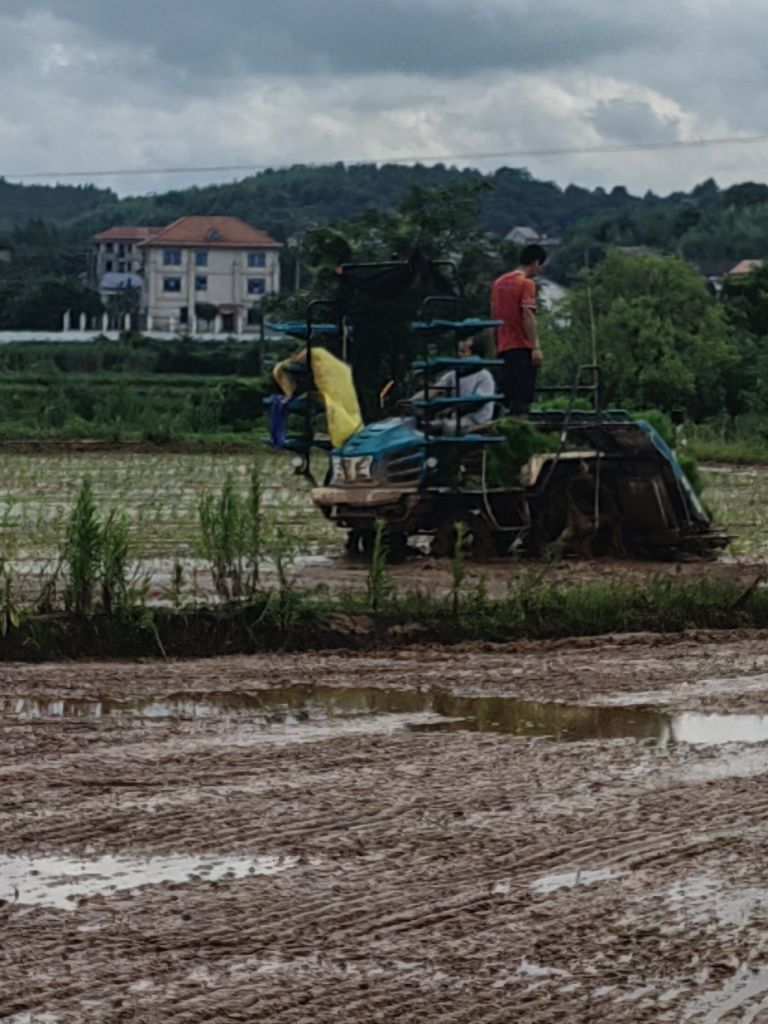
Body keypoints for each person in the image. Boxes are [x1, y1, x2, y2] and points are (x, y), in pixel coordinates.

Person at [491, 243, 547, 415]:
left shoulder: (498, 283)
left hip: (503, 347)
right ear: (536, 262)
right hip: (521, 348)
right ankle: (519, 432)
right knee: (522, 400)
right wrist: (535, 347)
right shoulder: (526, 283)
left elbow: (494, 316)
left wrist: (496, 345)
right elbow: (527, 315)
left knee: (504, 398)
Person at [410, 336, 497, 434]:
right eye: (459, 352)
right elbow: (433, 390)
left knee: (441, 429)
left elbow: (474, 404)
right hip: (455, 421)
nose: (460, 356)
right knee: (421, 428)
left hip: (475, 423)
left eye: (464, 352)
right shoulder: (453, 374)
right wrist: (411, 401)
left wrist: (450, 408)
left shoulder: (484, 376)